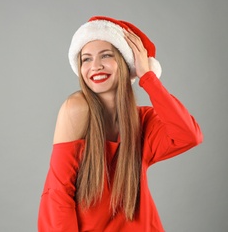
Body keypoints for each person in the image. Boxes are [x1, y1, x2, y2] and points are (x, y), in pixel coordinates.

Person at [37, 16, 203, 231]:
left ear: (126, 64)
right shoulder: (77, 108)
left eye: (106, 55)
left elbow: (189, 136)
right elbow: (58, 193)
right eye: (86, 59)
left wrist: (148, 78)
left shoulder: (143, 120)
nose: (95, 66)